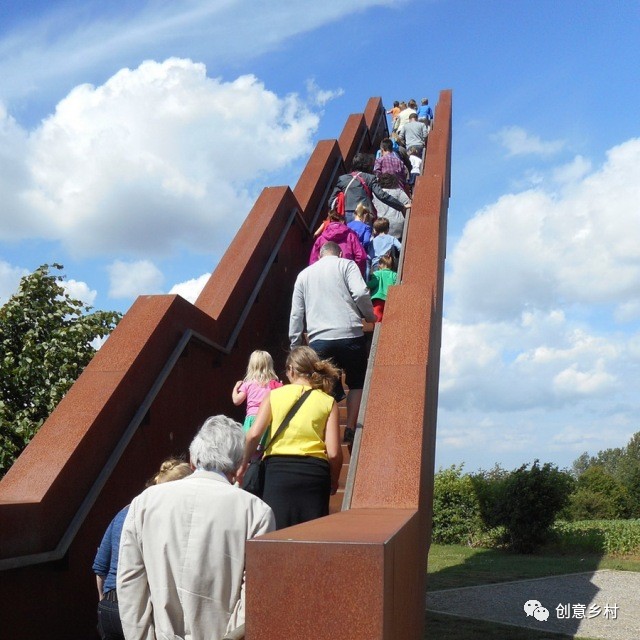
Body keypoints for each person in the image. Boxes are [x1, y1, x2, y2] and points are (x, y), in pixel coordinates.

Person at [117, 416, 276, 640]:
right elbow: (255, 595)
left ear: (193, 457)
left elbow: (129, 582)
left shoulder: (145, 502)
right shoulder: (256, 512)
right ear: (240, 462)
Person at [239, 346, 342, 529]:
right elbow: (333, 453)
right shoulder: (328, 401)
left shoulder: (274, 395)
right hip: (315, 473)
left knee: (276, 533)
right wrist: (333, 480)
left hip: (278, 472)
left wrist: (243, 465)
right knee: (313, 535)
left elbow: (254, 434)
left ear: (292, 369)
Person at [92, 458, 193, 640]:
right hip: (136, 609)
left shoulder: (124, 511)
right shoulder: (164, 517)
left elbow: (100, 568)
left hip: (109, 606)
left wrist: (104, 603)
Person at [289, 241, 376, 445]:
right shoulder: (346, 265)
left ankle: (329, 435)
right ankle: (351, 427)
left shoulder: (304, 275)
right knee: (356, 382)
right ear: (340, 253)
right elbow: (361, 293)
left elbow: (296, 314)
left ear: (320, 256)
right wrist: (369, 315)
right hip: (350, 333)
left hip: (319, 339)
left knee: (323, 388)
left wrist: (295, 345)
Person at [328, 153, 404, 223]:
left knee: (350, 237)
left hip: (346, 215)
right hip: (364, 214)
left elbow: (331, 201)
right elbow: (381, 195)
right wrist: (401, 206)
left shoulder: (342, 179)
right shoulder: (370, 178)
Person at [232, 350, 282, 434]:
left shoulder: (248, 384)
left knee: (249, 444)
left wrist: (235, 388)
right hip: (267, 418)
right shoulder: (273, 384)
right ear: (270, 366)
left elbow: (236, 401)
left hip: (252, 418)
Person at [309, 209, 367, 276]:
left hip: (326, 275)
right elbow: (361, 256)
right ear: (342, 221)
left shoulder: (321, 239)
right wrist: (356, 274)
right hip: (346, 273)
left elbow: (313, 260)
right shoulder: (350, 236)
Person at [372, 173, 411, 241]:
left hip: (380, 225)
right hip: (398, 224)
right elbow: (408, 203)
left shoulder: (375, 194)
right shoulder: (398, 191)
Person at [367, 253, 397, 322]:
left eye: (379, 264)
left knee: (377, 316)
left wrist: (366, 285)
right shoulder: (394, 275)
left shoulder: (377, 273)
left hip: (378, 299)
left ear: (382, 265)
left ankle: (377, 330)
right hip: (390, 300)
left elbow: (373, 283)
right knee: (389, 318)